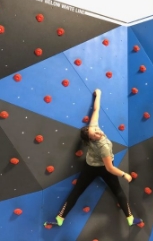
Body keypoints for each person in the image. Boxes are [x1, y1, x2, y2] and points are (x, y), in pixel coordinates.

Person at [44, 89, 142, 227]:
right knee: (116, 191)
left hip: (89, 164)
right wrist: (124, 174)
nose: (98, 132)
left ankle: (130, 218)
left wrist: (99, 95)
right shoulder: (103, 147)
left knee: (78, 191)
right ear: (90, 139)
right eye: (94, 134)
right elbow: (109, 167)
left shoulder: (93, 128)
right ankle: (59, 218)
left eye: (96, 130)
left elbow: (96, 110)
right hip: (101, 168)